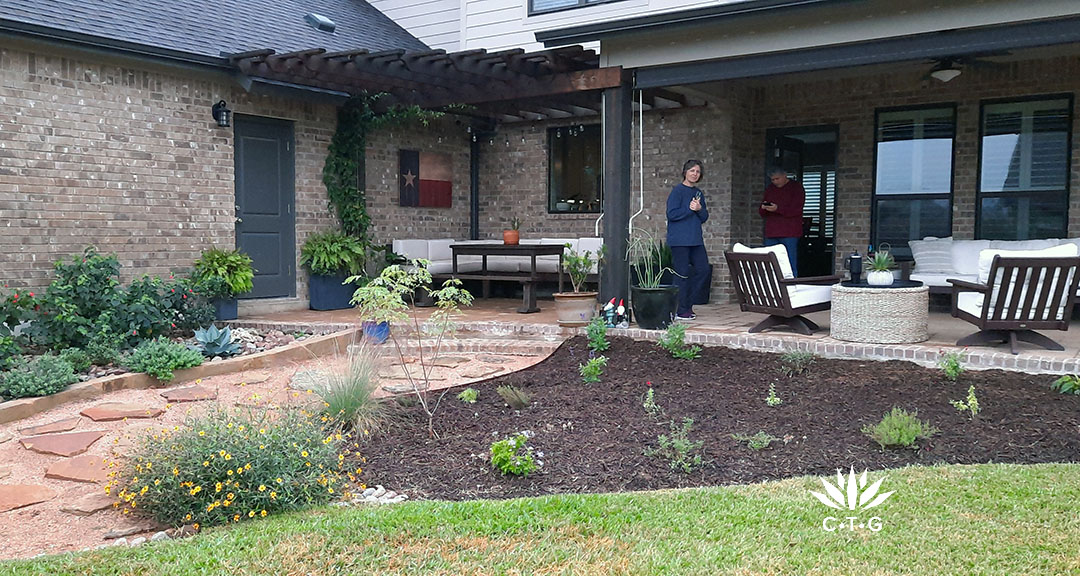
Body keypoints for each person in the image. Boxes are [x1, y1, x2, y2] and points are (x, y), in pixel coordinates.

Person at [666, 159, 709, 321]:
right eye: (692, 171)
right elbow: (672, 214)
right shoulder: (677, 191)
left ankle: (687, 304)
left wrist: (698, 209)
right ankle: (680, 309)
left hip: (696, 240)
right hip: (679, 240)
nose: (695, 174)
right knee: (682, 274)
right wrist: (689, 209)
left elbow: (704, 217)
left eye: (697, 172)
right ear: (685, 172)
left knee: (703, 270)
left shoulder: (698, 193)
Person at [759, 166, 805, 277]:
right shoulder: (770, 189)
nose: (775, 182)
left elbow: (796, 210)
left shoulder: (796, 188)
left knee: (789, 263)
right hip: (771, 233)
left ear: (785, 176)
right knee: (770, 263)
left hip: (790, 232)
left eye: (777, 179)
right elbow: (761, 212)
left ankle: (791, 289)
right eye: (773, 179)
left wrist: (778, 209)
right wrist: (764, 208)